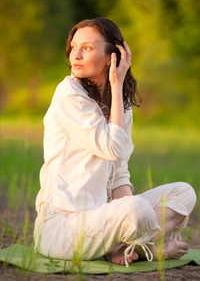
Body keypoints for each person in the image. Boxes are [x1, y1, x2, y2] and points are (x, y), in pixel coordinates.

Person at [34, 17, 196, 267]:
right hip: (61, 228)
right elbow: (112, 147)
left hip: (99, 218)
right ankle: (148, 246)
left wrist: (127, 221)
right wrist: (132, 214)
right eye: (74, 47)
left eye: (87, 48)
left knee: (183, 193)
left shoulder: (120, 106)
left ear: (113, 57)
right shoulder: (68, 94)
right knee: (138, 209)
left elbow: (119, 172)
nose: (75, 55)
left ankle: (125, 244)